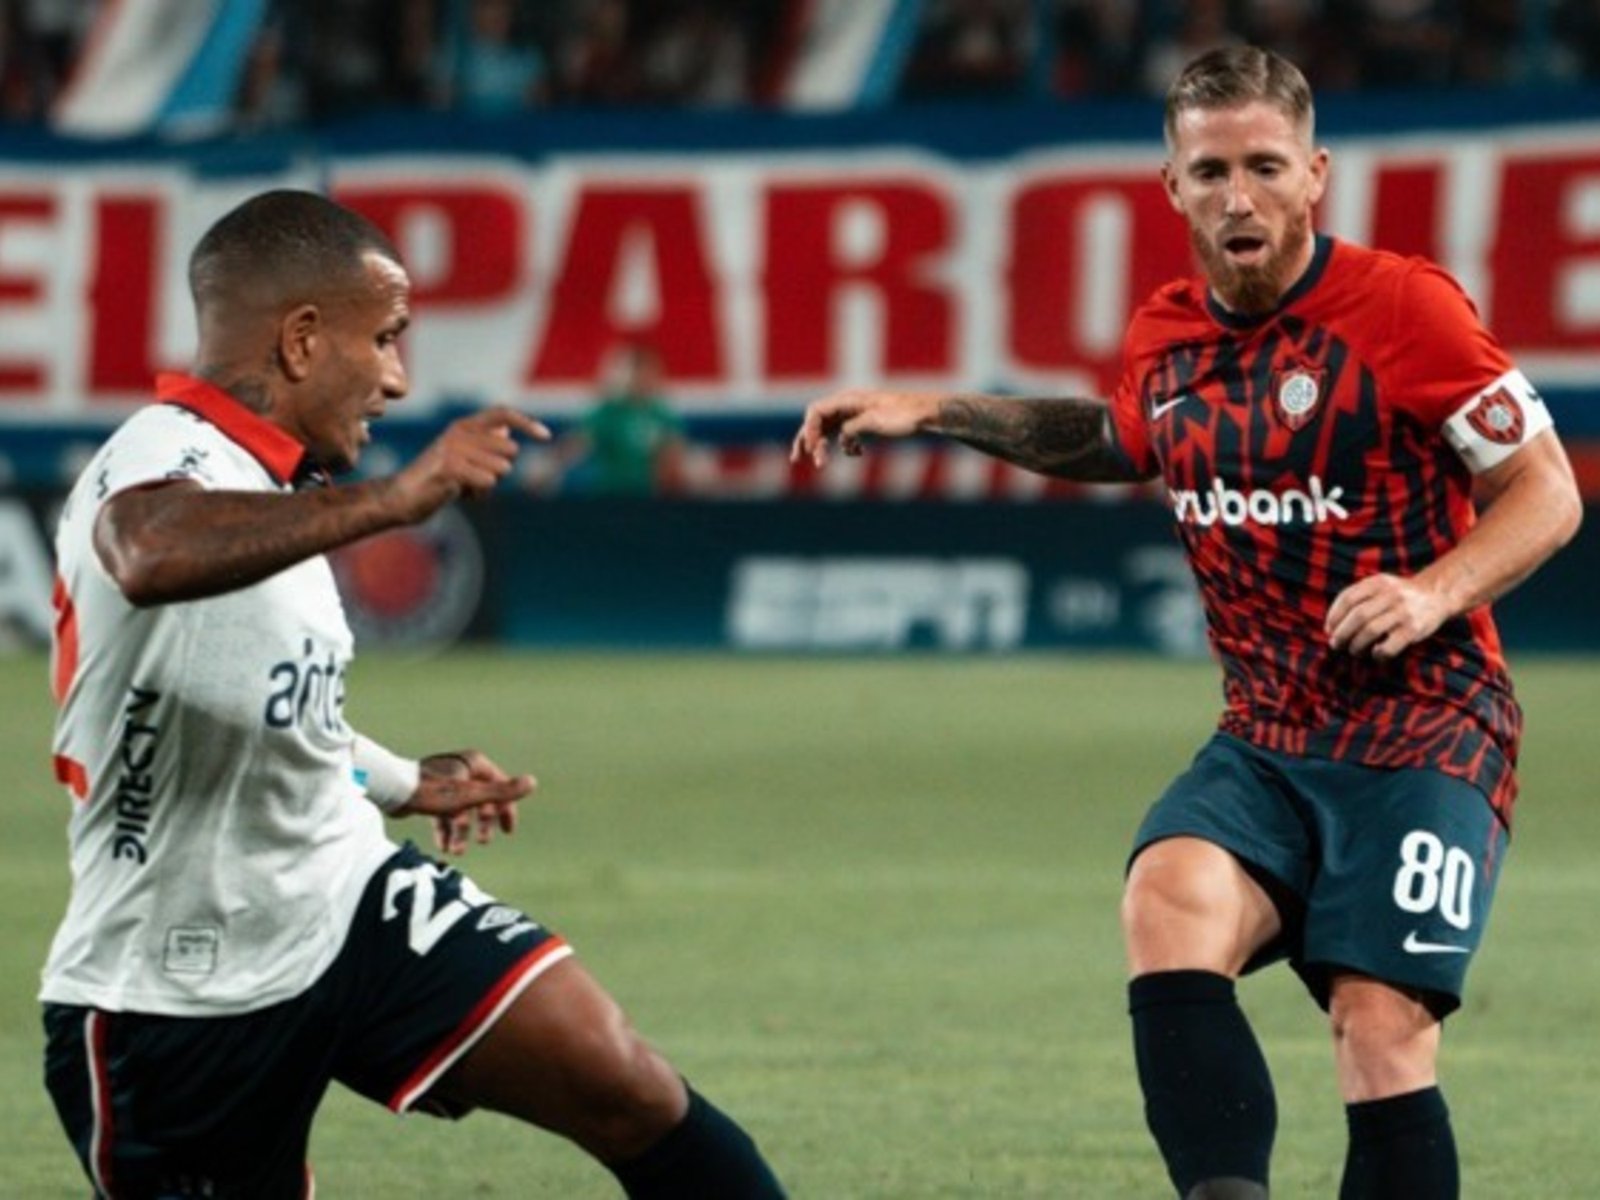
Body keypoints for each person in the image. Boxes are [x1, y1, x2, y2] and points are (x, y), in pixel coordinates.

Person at [792, 46, 1581, 1200]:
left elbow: (1546, 489)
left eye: (1264, 167)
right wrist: (931, 408)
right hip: (1265, 733)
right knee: (1165, 900)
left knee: (1377, 1027)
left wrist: (1431, 591)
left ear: (1314, 175)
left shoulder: (1405, 309)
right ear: (1171, 186)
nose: (1238, 196)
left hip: (1424, 730)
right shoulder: (1166, 335)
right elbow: (1119, 439)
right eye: (1210, 171)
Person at [41, 189, 785, 1199]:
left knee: (628, 1087)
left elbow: (261, 707)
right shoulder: (160, 459)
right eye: (386, 339)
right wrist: (394, 501)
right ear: (303, 341)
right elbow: (146, 550)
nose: (397, 377)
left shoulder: (279, 490)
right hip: (175, 982)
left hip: (343, 893)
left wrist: (399, 780)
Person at [540, 340, 689, 497]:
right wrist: (549, 466)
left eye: (651, 371)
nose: (645, 377)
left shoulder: (664, 416)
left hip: (649, 499)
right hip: (611, 496)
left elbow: (674, 459)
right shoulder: (609, 412)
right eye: (639, 370)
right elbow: (578, 444)